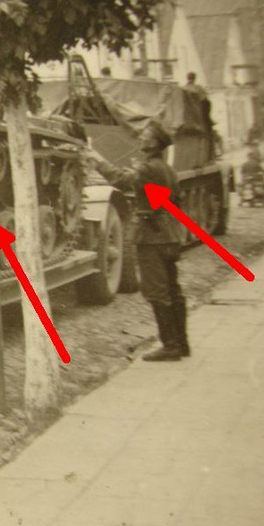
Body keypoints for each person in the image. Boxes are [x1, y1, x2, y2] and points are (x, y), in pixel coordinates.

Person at [90, 120, 189, 361]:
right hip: (170, 236)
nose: (141, 138)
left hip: (152, 238)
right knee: (173, 290)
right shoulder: (166, 168)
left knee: (156, 293)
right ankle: (181, 343)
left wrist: (95, 160)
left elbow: (120, 179)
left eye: (145, 135)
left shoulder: (148, 169)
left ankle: (170, 346)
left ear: (154, 143)